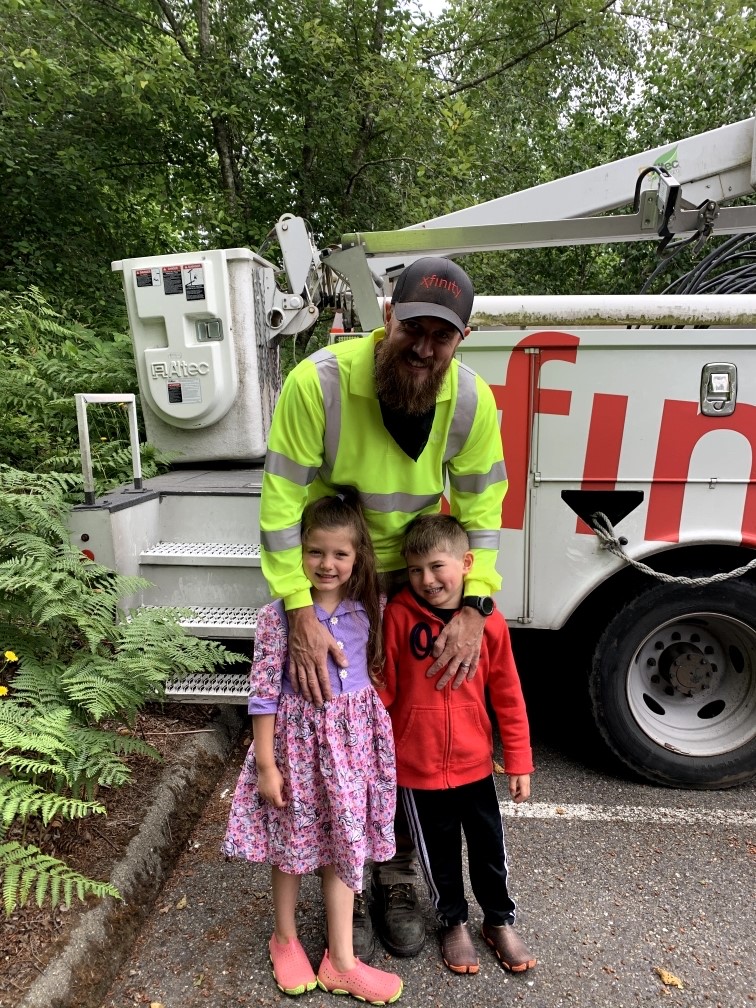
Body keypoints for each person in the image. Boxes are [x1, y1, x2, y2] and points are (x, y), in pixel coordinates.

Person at [259, 255, 508, 959]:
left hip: (420, 586)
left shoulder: (470, 401)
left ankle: (394, 875)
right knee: (326, 730)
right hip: (336, 584)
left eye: (445, 335)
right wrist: (301, 612)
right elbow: (280, 504)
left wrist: (473, 605)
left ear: (464, 337)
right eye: (416, 329)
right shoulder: (322, 383)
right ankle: (337, 871)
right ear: (388, 317)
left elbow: (485, 506)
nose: (426, 348)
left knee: (396, 733)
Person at [223, 494, 403, 1004]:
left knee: (344, 841)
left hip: (351, 750)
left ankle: (342, 960)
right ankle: (284, 937)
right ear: (297, 554)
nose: (327, 564)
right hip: (296, 748)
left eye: (339, 554)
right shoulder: (277, 616)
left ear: (357, 557)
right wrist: (266, 764)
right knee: (290, 841)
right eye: (315, 552)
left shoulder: (371, 608)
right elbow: (262, 693)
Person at [380, 514, 536, 976]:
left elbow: (508, 694)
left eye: (436, 566)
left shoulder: (489, 624)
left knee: (489, 849)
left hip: (475, 765)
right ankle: (452, 921)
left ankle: (498, 920)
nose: (426, 580)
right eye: (414, 570)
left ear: (467, 563)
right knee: (439, 854)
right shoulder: (397, 618)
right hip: (417, 768)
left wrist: (519, 760)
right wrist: (375, 753)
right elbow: (384, 688)